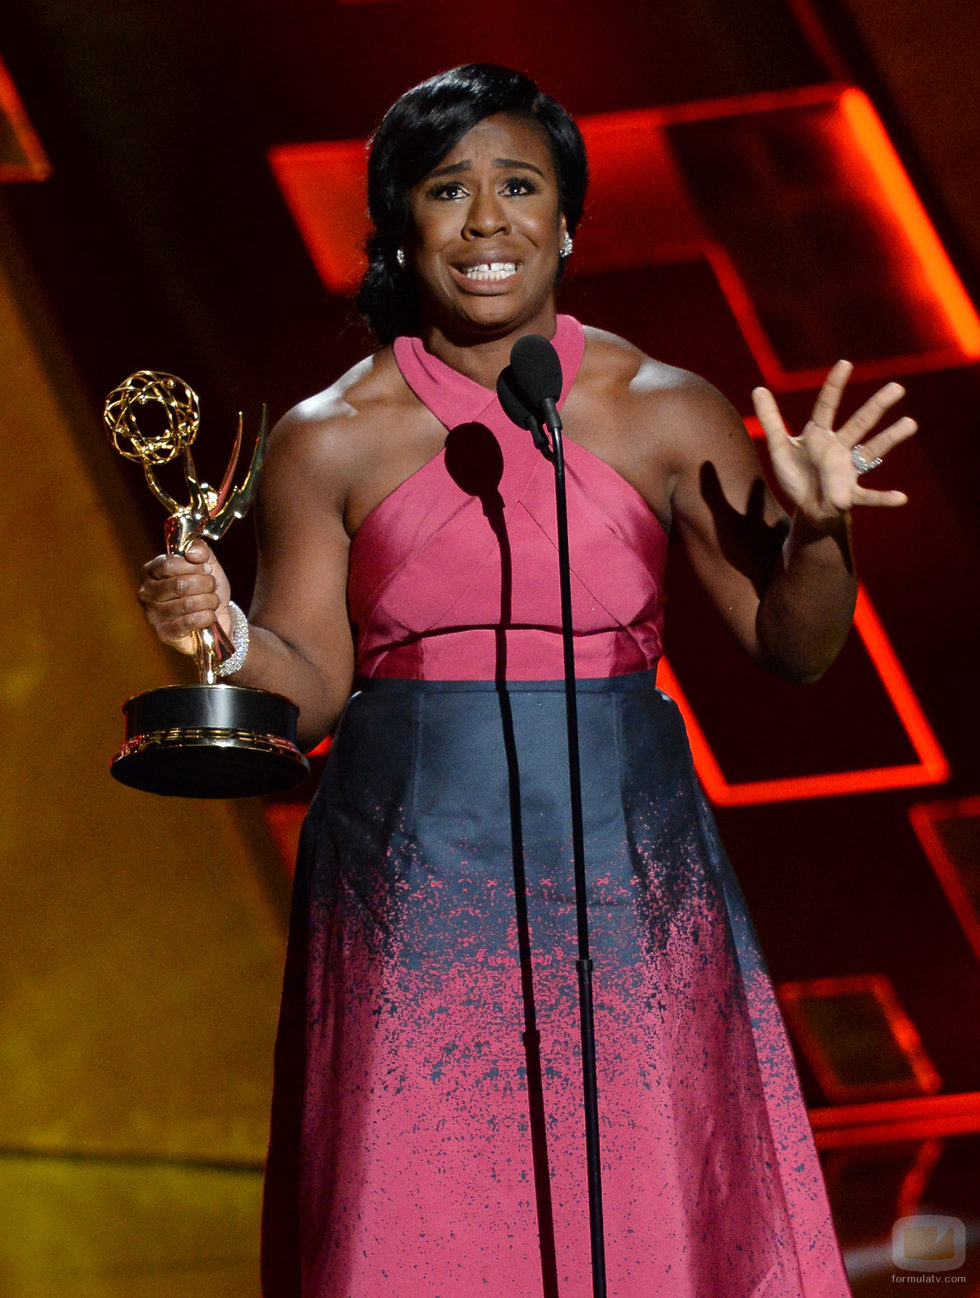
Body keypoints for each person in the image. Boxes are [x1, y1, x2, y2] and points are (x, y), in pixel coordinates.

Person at [139, 64, 915, 1298]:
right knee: (425, 1211)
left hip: (622, 862)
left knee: (643, 1197)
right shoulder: (330, 435)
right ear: (400, 226)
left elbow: (794, 644)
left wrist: (819, 533)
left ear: (567, 223)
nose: (486, 221)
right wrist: (225, 633)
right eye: (448, 191)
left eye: (518, 186)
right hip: (411, 883)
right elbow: (313, 684)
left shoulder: (661, 408)